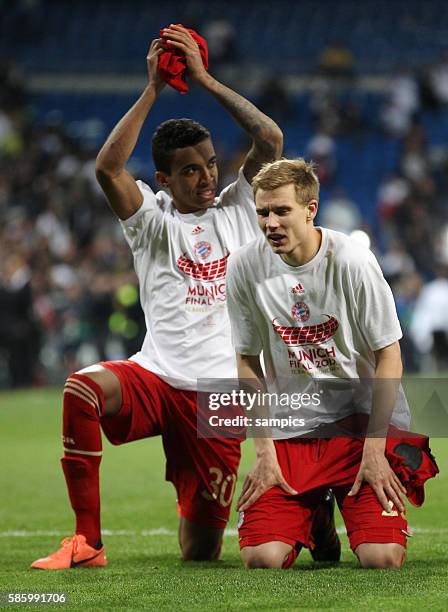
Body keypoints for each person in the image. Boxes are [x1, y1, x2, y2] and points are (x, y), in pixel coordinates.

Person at [30, 25, 285, 570]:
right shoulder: (151, 220)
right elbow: (108, 168)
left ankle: (209, 494)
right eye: (191, 170)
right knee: (82, 389)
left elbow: (271, 142)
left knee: (200, 551)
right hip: (156, 376)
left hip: (219, 398)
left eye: (211, 164)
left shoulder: (240, 207)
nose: (207, 178)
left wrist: (204, 80)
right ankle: (88, 541)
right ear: (164, 179)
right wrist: (152, 89)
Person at [226, 158, 438, 569]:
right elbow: (247, 359)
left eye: (281, 210)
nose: (270, 223)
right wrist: (264, 451)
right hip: (294, 426)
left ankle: (335, 502)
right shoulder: (244, 265)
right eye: (262, 212)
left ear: (310, 208)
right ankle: (317, 518)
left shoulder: (354, 262)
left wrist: (375, 450)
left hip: (359, 423)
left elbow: (389, 354)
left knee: (382, 559)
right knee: (262, 558)